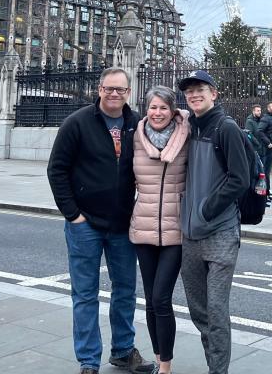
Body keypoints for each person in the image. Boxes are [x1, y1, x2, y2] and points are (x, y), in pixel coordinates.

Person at [47, 67, 149, 374]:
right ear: (99, 89)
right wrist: (73, 215)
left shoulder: (136, 124)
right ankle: (89, 361)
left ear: (129, 93)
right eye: (109, 88)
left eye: (121, 89)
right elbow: (57, 170)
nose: (114, 94)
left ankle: (123, 351)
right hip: (85, 224)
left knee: (125, 291)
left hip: (122, 224)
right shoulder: (77, 123)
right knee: (85, 294)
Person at [178, 69, 248, 374]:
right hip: (190, 235)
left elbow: (240, 179)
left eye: (200, 89)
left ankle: (218, 371)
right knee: (199, 310)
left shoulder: (226, 127)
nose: (194, 95)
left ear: (214, 93)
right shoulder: (187, 128)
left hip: (220, 231)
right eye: (189, 91)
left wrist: (207, 209)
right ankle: (213, 363)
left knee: (217, 309)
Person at [130, 85, 190, 374]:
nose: (157, 113)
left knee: (161, 298)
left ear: (173, 110)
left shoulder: (188, 136)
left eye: (163, 107)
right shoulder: (136, 138)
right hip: (142, 228)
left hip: (176, 231)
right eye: (153, 107)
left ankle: (165, 367)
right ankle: (158, 357)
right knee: (150, 301)